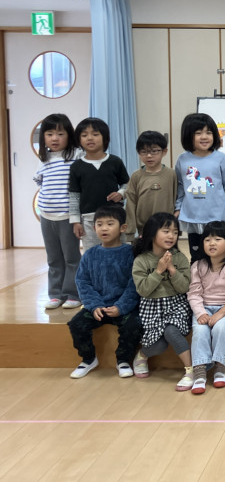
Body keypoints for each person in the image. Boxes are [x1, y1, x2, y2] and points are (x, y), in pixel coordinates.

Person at [67, 204, 141, 379]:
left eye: (110, 224)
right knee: (76, 323)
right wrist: (95, 305)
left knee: (134, 325)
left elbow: (135, 283)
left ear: (123, 228)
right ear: (94, 228)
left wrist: (121, 307)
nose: (104, 228)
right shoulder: (90, 254)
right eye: (99, 224)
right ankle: (88, 359)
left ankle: (123, 360)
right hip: (98, 308)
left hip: (123, 308)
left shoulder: (130, 253)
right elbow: (82, 282)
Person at [131, 212, 193, 391]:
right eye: (166, 231)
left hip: (177, 303)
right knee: (158, 345)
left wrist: (172, 269)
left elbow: (184, 287)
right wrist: (158, 271)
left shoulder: (179, 257)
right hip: (152, 306)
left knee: (172, 331)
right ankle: (142, 355)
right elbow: (143, 290)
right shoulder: (141, 260)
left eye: (175, 232)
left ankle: (190, 371)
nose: (171, 236)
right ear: (152, 233)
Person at [187, 221, 225, 394]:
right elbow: (194, 294)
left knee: (221, 328)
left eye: (218, 239)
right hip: (203, 308)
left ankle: (219, 368)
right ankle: (199, 372)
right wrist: (200, 313)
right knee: (200, 331)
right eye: (207, 240)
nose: (212, 243)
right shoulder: (197, 266)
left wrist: (220, 314)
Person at [35, 113, 83, 310]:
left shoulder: (76, 155)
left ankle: (73, 294)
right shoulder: (44, 159)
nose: (55, 138)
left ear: (69, 135)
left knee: (71, 257)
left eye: (60, 134)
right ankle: (56, 294)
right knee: (53, 258)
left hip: (67, 216)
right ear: (43, 137)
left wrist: (77, 216)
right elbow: (40, 183)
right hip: (46, 216)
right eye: (49, 134)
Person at [174, 113, 225, 263]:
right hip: (193, 217)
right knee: (196, 257)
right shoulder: (182, 159)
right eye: (198, 133)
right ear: (188, 135)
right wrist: (178, 207)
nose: (204, 137)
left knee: (221, 257)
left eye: (208, 132)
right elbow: (181, 186)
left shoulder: (220, 158)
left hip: (217, 217)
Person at [69, 117, 130, 251]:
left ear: (105, 138)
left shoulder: (115, 161)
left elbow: (128, 184)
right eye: (84, 135)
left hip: (115, 217)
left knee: (119, 251)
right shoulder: (76, 167)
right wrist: (75, 222)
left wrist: (121, 194)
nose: (90, 138)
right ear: (79, 140)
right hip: (89, 220)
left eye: (95, 134)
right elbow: (74, 196)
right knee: (92, 253)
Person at [125, 130, 177, 239]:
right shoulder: (136, 176)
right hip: (144, 229)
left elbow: (176, 199)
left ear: (164, 151)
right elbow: (130, 204)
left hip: (167, 227)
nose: (149, 156)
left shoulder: (171, 174)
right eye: (144, 152)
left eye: (154, 151)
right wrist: (130, 232)